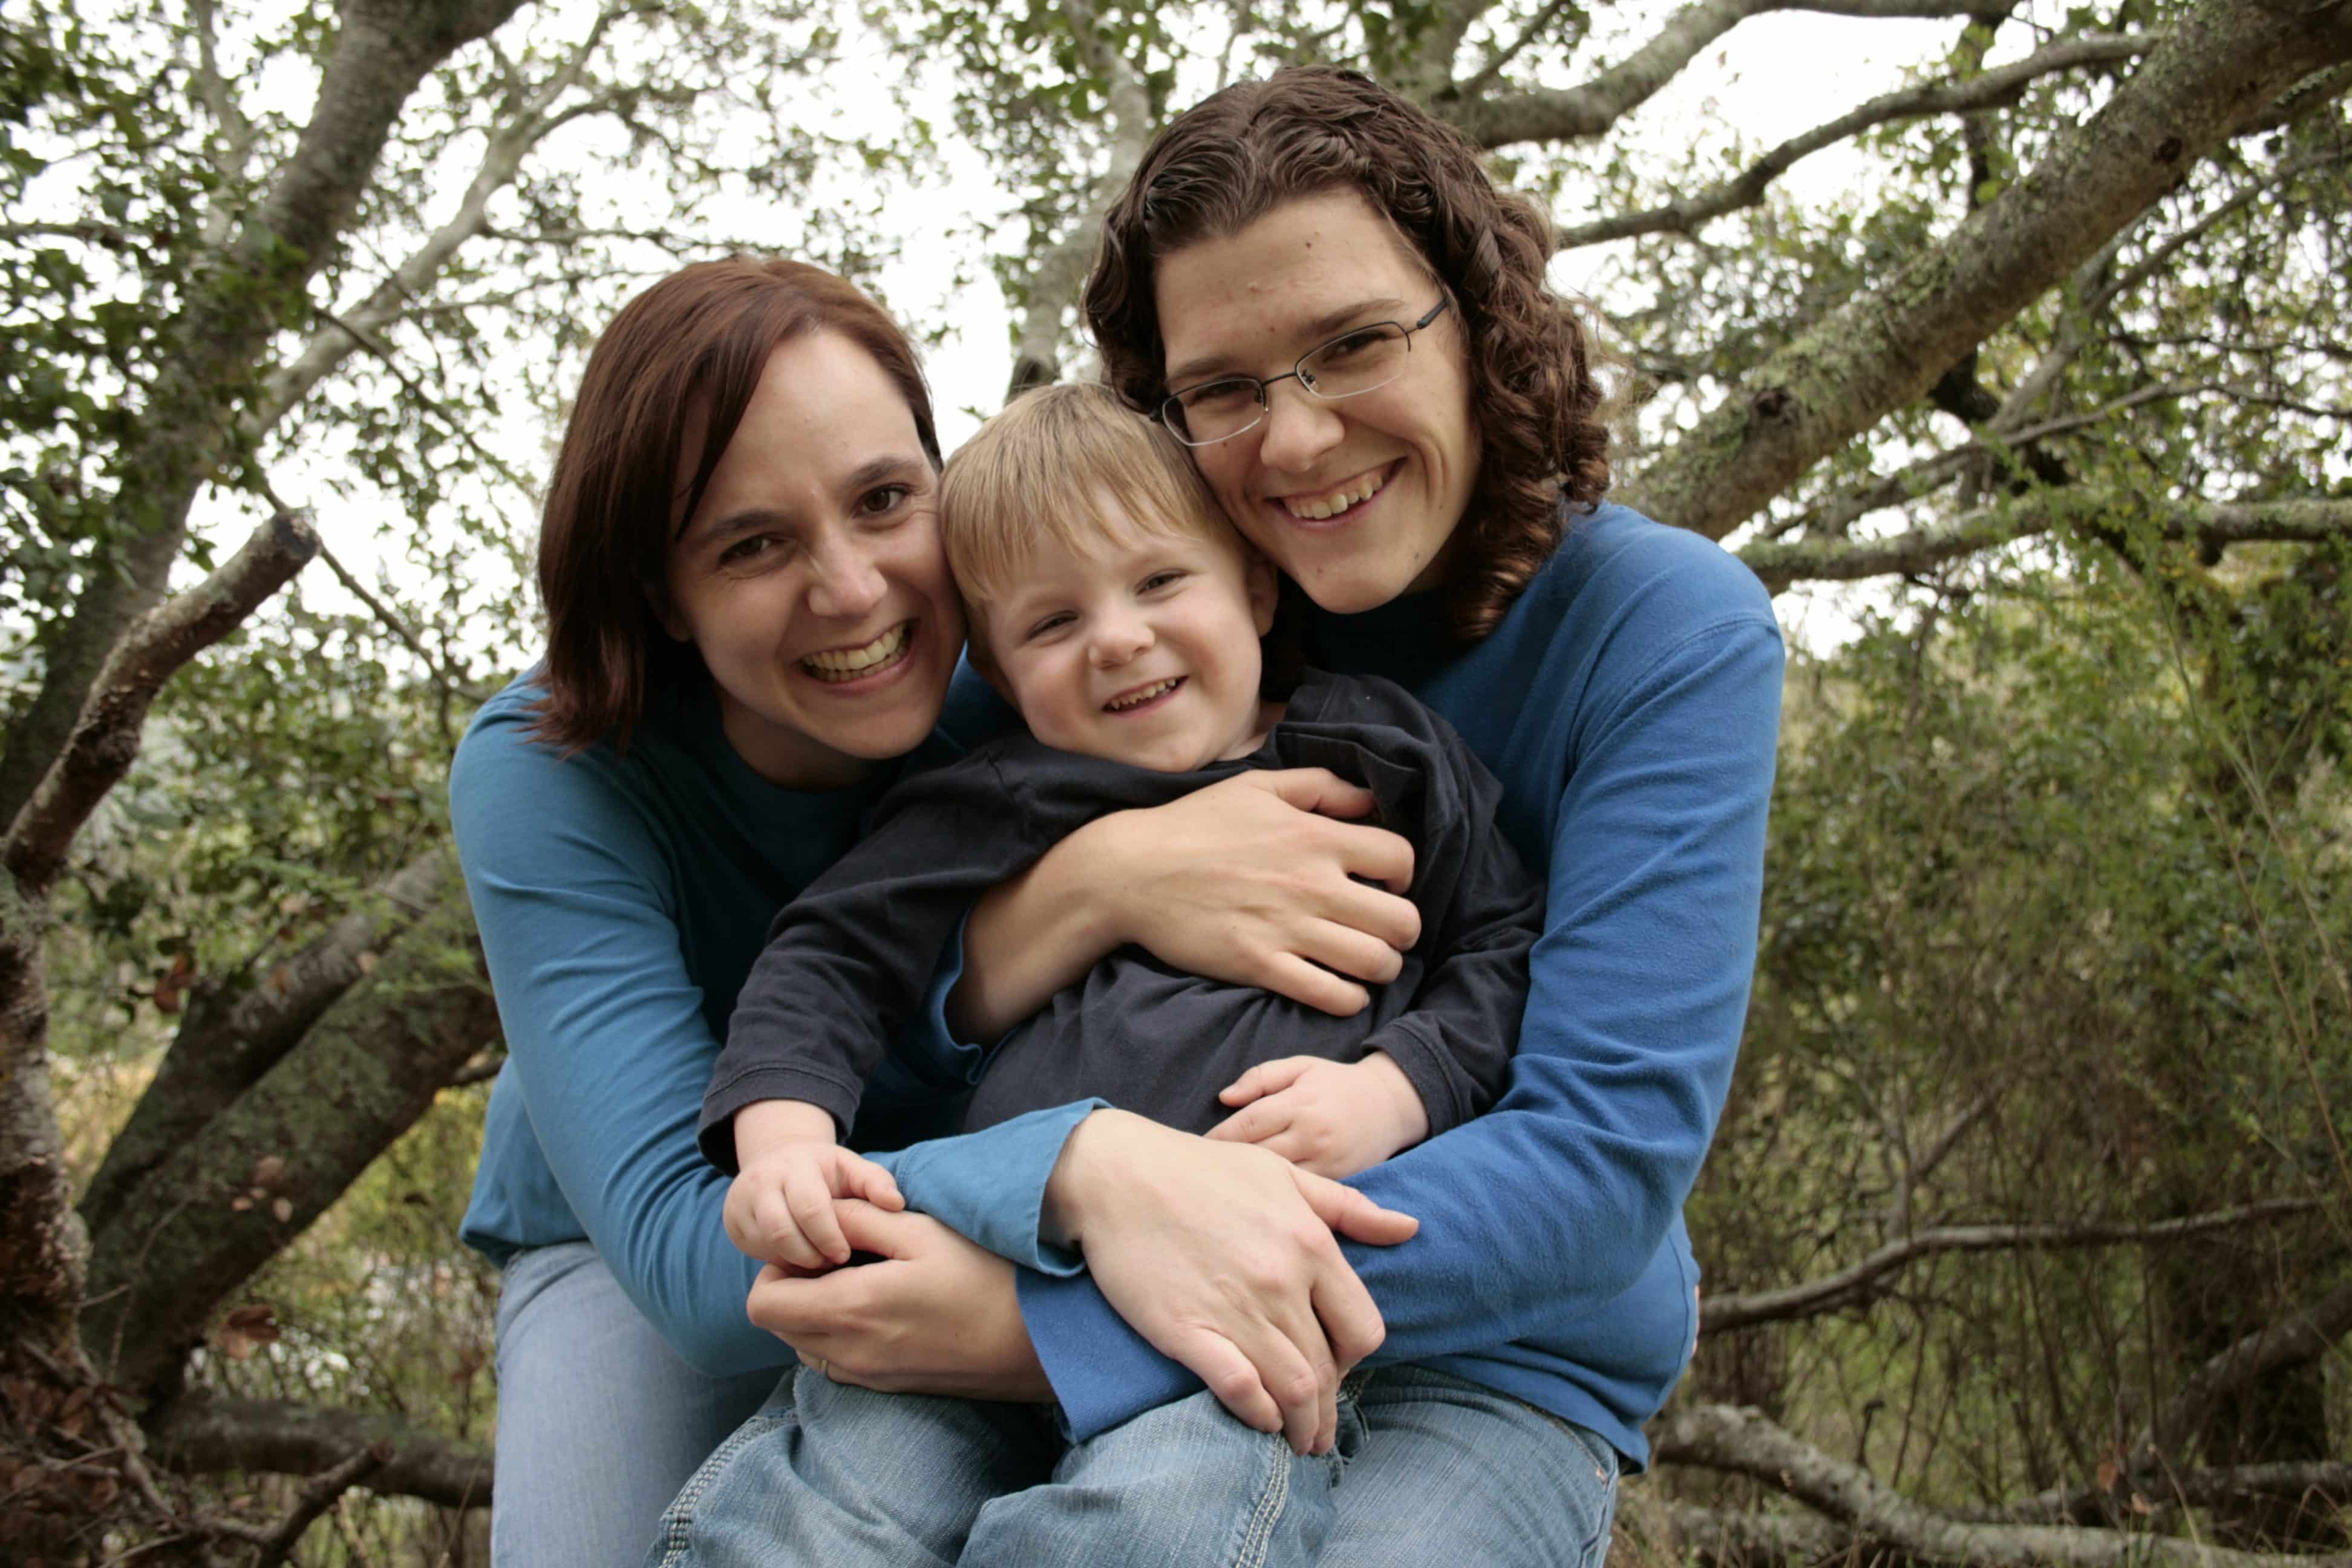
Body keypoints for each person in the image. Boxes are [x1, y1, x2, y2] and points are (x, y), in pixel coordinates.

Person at [659, 64, 1785, 1568]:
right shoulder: (1089, 643)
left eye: (1355, 344)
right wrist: (1101, 890)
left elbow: (1596, 1164)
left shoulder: (1660, 631)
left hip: (1480, 1347)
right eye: (1227, 389)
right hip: (1075, 1239)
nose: (1300, 441)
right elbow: (878, 996)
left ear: (1475, 319)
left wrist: (1043, 1321)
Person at [451, 258, 1428, 1567]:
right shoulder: (550, 767)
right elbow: (700, 1269)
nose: (853, 592)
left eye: (884, 501)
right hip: (677, 1228)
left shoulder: (1035, 660)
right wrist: (1080, 1136)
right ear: (655, 591)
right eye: (751, 544)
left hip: (974, 1161)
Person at [673, 382, 1543, 1566]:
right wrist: (784, 1144)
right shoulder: (996, 796)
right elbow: (828, 957)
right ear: (999, 671)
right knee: (824, 1510)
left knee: (1167, 1518)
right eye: (1052, 624)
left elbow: (1502, 948)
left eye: (1158, 582)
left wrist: (1397, 1089)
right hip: (981, 1255)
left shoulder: (1381, 757)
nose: (1119, 638)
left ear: (1252, 580)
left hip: (1227, 1296)